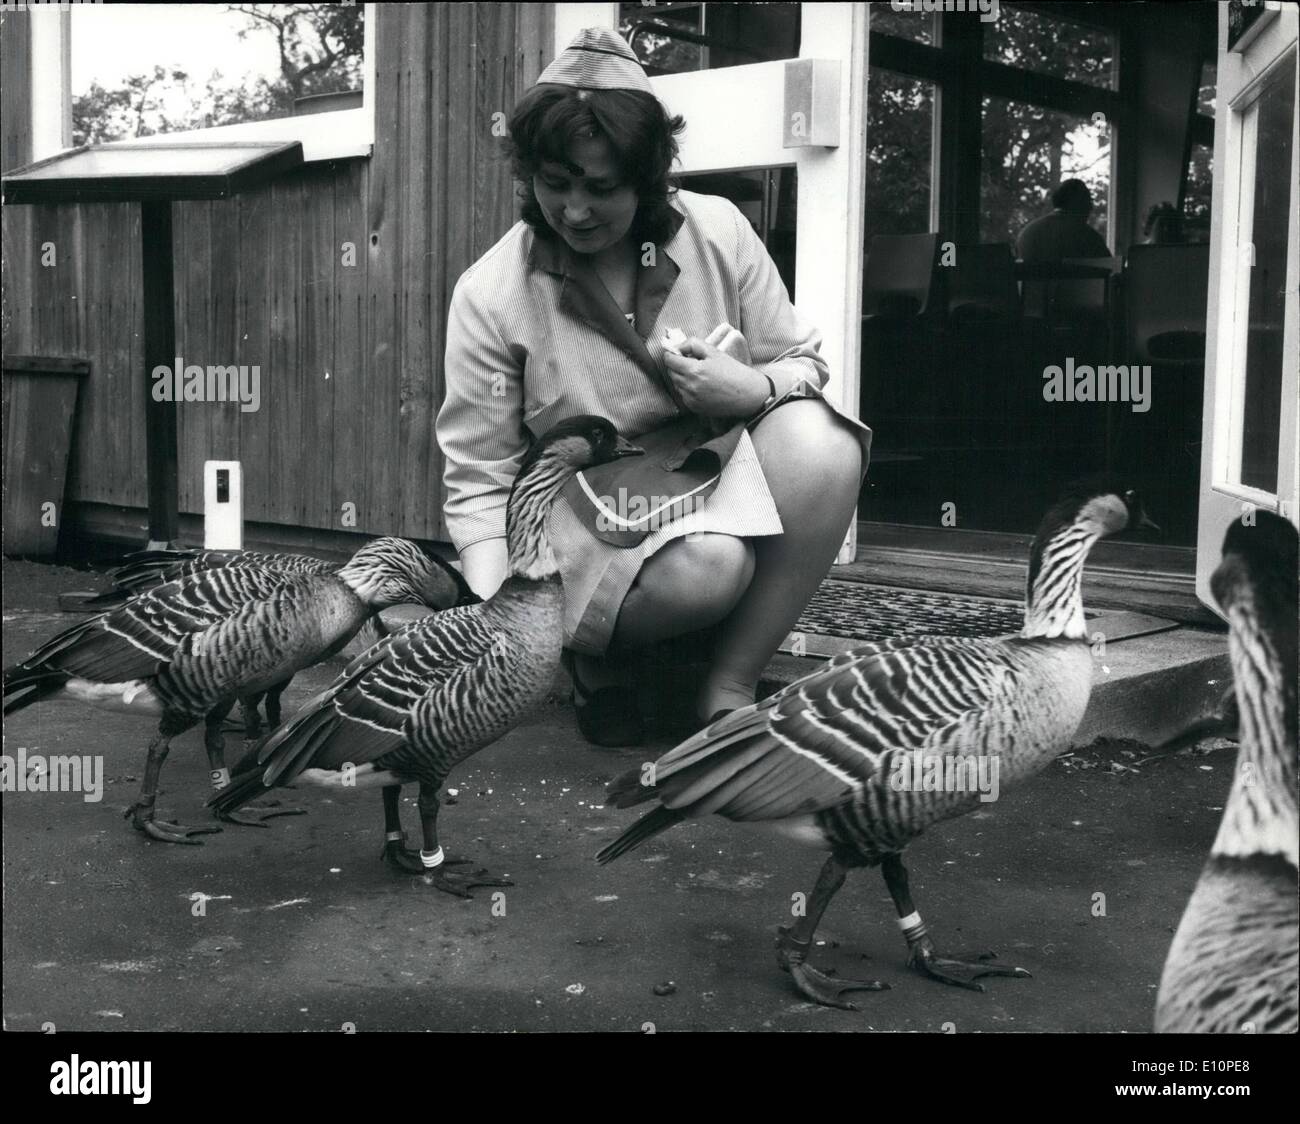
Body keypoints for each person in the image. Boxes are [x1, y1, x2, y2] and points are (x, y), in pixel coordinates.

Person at [435, 28, 871, 747]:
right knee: (710, 567)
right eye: (554, 183)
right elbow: (479, 481)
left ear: (649, 178)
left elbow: (803, 367)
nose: (574, 210)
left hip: (706, 487)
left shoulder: (721, 230)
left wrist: (750, 387)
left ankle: (726, 685)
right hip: (583, 516)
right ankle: (589, 655)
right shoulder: (488, 293)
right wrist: (503, 625)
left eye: (601, 187)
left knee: (824, 444)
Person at [1015, 178, 1111, 262]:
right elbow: (1109, 269)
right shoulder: (1088, 237)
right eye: (1088, 202)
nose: (1091, 208)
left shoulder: (1027, 233)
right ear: (1079, 203)